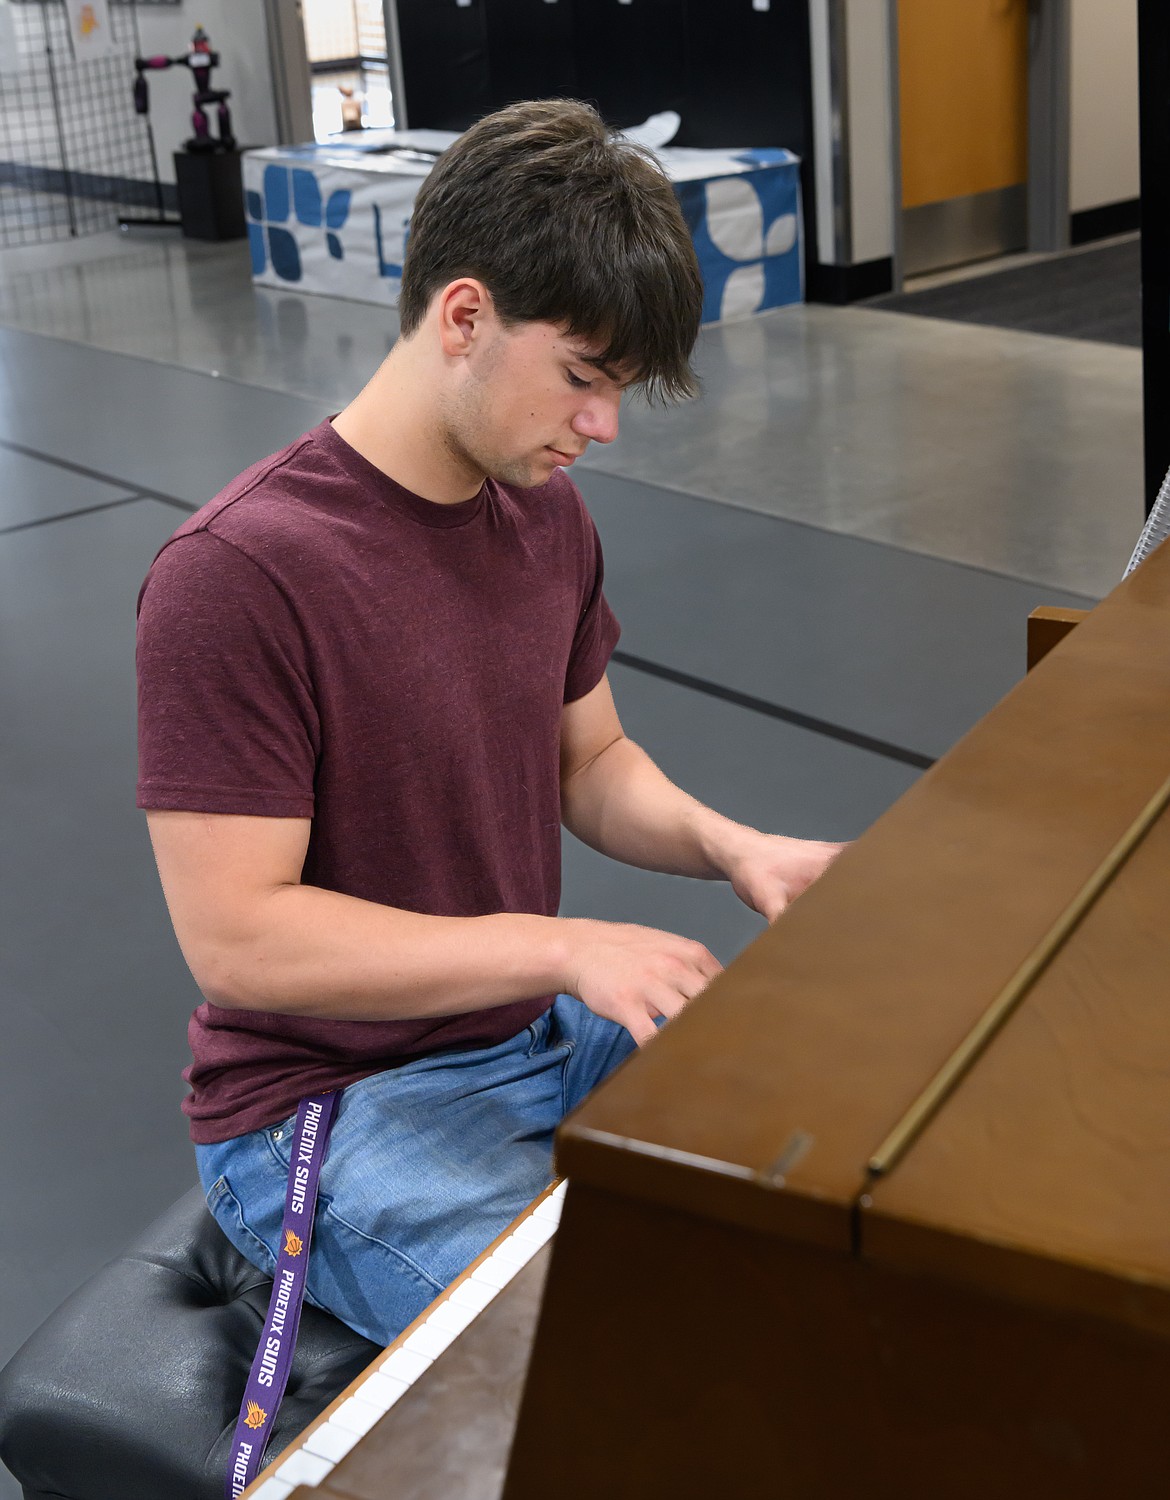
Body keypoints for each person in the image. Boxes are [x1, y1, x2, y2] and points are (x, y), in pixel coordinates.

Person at [136, 98, 842, 1348]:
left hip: (527, 1041)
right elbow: (240, 941)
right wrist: (563, 952)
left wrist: (737, 847)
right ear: (465, 317)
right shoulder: (237, 572)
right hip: (334, 1106)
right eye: (582, 376)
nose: (604, 426)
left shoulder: (547, 519)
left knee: (826, 1185)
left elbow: (594, 761)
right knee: (611, 1365)